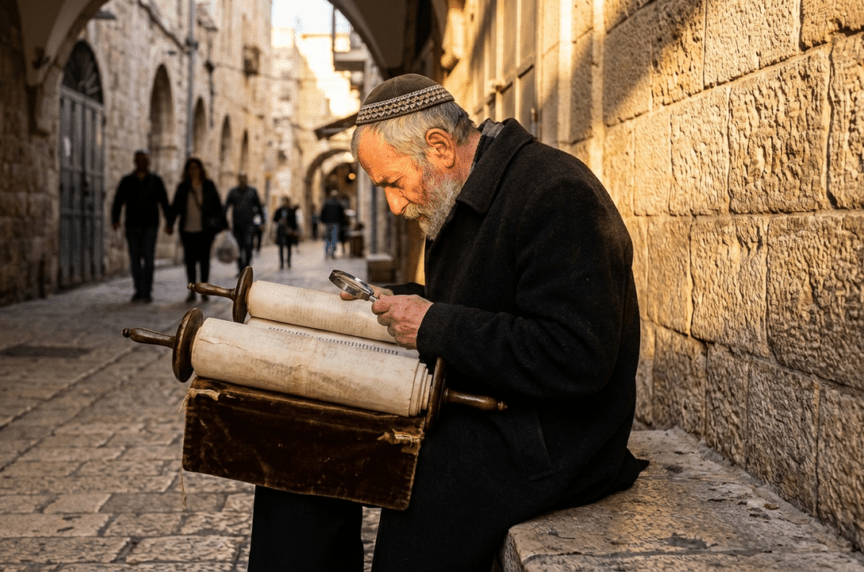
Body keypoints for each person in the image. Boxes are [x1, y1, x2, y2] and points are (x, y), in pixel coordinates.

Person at [248, 74, 645, 572]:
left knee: (418, 476)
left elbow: (576, 355)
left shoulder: (556, 192)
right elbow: (475, 302)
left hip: (546, 438)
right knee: (301, 439)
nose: (394, 204)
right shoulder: (460, 194)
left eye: (394, 183)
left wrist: (434, 324)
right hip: (484, 400)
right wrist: (406, 302)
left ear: (438, 146)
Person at [110, 149, 172, 303]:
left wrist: (169, 222)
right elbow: (118, 200)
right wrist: (115, 219)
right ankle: (138, 289)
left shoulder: (156, 180)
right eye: (139, 160)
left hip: (150, 225)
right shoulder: (127, 181)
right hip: (132, 225)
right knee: (135, 258)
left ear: (148, 162)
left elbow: (164, 202)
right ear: (135, 162)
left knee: (149, 257)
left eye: (144, 159)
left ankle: (147, 291)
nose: (142, 162)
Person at [171, 158, 226, 302]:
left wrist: (224, 224)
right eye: (191, 168)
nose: (194, 170)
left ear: (201, 169)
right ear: (187, 170)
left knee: (204, 262)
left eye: (196, 167)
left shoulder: (208, 186)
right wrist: (170, 223)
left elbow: (217, 206)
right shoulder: (183, 187)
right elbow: (176, 206)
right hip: (187, 230)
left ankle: (204, 291)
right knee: (189, 262)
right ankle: (192, 290)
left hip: (205, 231)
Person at [225, 171, 263, 272]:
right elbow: (226, 206)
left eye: (244, 178)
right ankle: (240, 268)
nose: (242, 180)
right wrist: (224, 221)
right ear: (238, 179)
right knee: (238, 247)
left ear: (246, 179)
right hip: (237, 224)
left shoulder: (252, 191)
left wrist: (260, 223)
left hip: (249, 224)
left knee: (248, 244)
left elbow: (259, 209)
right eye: (240, 178)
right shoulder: (233, 192)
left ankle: (247, 267)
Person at [272, 196, 298, 269]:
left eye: (285, 201)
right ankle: (281, 263)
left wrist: (294, 229)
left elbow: (294, 221)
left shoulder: (291, 210)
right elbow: (274, 219)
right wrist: (279, 220)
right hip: (281, 230)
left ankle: (289, 262)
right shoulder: (279, 210)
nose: (284, 202)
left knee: (289, 246)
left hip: (289, 230)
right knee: (280, 247)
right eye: (283, 201)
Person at [319, 189, 345, 259]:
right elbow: (342, 215)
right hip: (335, 223)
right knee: (334, 239)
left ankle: (327, 253)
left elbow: (322, 213)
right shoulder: (338, 204)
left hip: (328, 223)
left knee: (327, 238)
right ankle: (332, 253)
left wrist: (323, 221)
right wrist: (341, 223)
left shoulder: (327, 203)